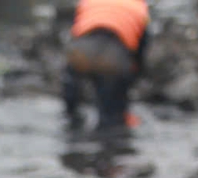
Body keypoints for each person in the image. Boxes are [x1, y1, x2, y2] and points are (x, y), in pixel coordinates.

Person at [62, 0, 150, 132]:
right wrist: (134, 77)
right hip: (114, 57)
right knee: (112, 118)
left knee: (72, 106)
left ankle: (71, 124)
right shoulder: (139, 7)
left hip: (81, 51)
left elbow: (75, 28)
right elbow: (141, 49)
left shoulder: (88, 2)